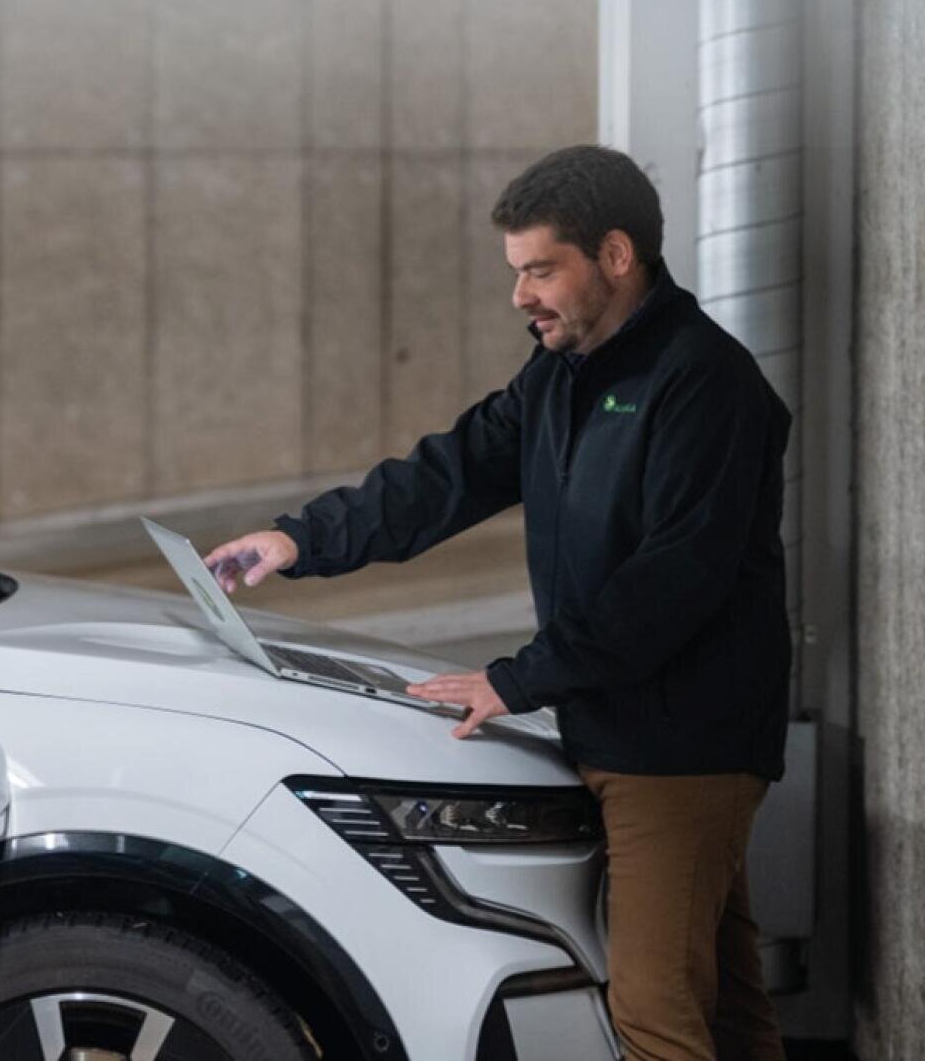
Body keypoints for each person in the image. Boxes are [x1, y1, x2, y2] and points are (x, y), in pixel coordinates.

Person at [206, 144, 792, 1060]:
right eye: (516, 273)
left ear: (615, 255)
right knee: (720, 1005)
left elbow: (674, 581)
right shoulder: (559, 374)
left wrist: (518, 681)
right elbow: (447, 474)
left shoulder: (702, 382)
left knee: (651, 1014)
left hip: (681, 747)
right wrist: (299, 540)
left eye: (539, 270)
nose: (521, 295)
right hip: (616, 723)